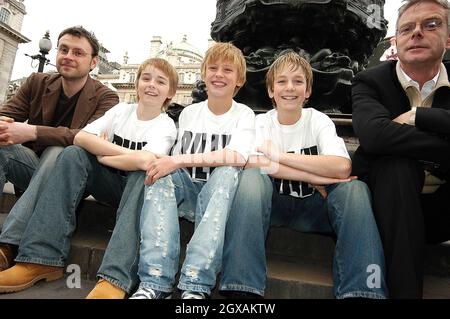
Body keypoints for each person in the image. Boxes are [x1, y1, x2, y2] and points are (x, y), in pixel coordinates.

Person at [85, 42, 254, 299]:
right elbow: (165, 163)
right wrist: (169, 164)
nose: (219, 74)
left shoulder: (244, 114)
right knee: (158, 171)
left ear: (239, 79)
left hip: (218, 199)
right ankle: (155, 281)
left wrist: (178, 161)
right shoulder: (188, 113)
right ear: (203, 74)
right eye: (213, 68)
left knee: (227, 171)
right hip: (187, 193)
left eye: (228, 70)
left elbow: (238, 156)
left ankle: (196, 284)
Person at [0, 58, 178, 294]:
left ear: (170, 93)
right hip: (109, 183)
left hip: (139, 191)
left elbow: (147, 161)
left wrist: (104, 155)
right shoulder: (121, 111)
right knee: (73, 154)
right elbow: (81, 138)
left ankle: (115, 278)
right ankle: (39, 258)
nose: (151, 85)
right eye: (146, 78)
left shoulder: (166, 125)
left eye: (160, 81)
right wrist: (125, 156)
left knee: (142, 174)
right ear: (136, 84)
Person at [223, 51, 388, 299]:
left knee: (355, 189)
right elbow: (250, 163)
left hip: (315, 208)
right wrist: (313, 176)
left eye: (298, 81)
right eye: (281, 81)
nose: (290, 88)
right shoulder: (261, 123)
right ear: (270, 91)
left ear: (308, 90)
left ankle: (363, 289)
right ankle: (242, 287)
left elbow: (342, 168)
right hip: (271, 206)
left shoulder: (318, 120)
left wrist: (279, 156)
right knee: (250, 180)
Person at [352, 0, 450, 298]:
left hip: (442, 208)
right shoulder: (370, 81)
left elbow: (388, 134)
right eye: (407, 28)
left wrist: (417, 116)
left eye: (430, 24)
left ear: (449, 37)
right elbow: (375, 136)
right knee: (397, 165)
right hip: (387, 204)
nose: (416, 33)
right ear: (397, 40)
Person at [0, 26, 119, 271]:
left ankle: (8, 244)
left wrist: (33, 131)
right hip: (32, 168)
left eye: (78, 53)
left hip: (72, 179)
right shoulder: (36, 82)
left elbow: (85, 138)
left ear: (93, 62)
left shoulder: (107, 98)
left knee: (60, 151)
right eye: (63, 49)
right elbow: (5, 116)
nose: (68, 56)